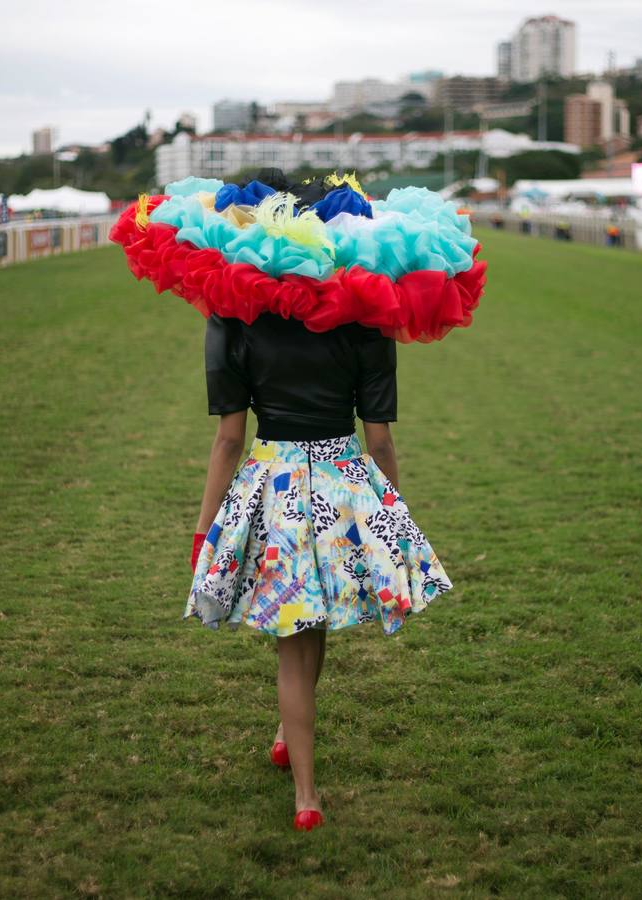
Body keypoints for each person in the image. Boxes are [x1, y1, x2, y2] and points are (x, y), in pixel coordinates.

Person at [111, 168, 481, 834]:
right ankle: (295, 753)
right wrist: (392, 514)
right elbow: (380, 440)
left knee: (295, 635)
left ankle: (304, 793)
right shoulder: (366, 317)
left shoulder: (232, 314)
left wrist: (203, 531)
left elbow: (229, 440)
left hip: (273, 484)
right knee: (309, 630)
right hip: (342, 483)